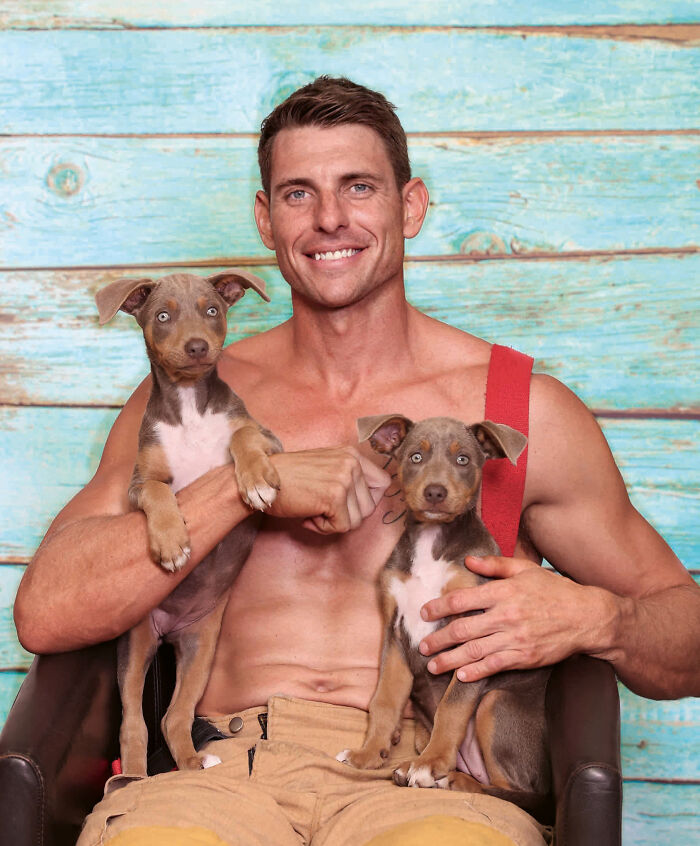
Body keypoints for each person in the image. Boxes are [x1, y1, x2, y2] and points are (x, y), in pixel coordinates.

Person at [14, 76, 700, 846]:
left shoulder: (519, 407)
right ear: (265, 218)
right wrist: (244, 486)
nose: (330, 218)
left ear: (410, 206)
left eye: (359, 187)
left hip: (429, 775)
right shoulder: (194, 399)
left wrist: (599, 618)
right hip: (222, 775)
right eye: (298, 194)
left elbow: (687, 638)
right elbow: (45, 611)